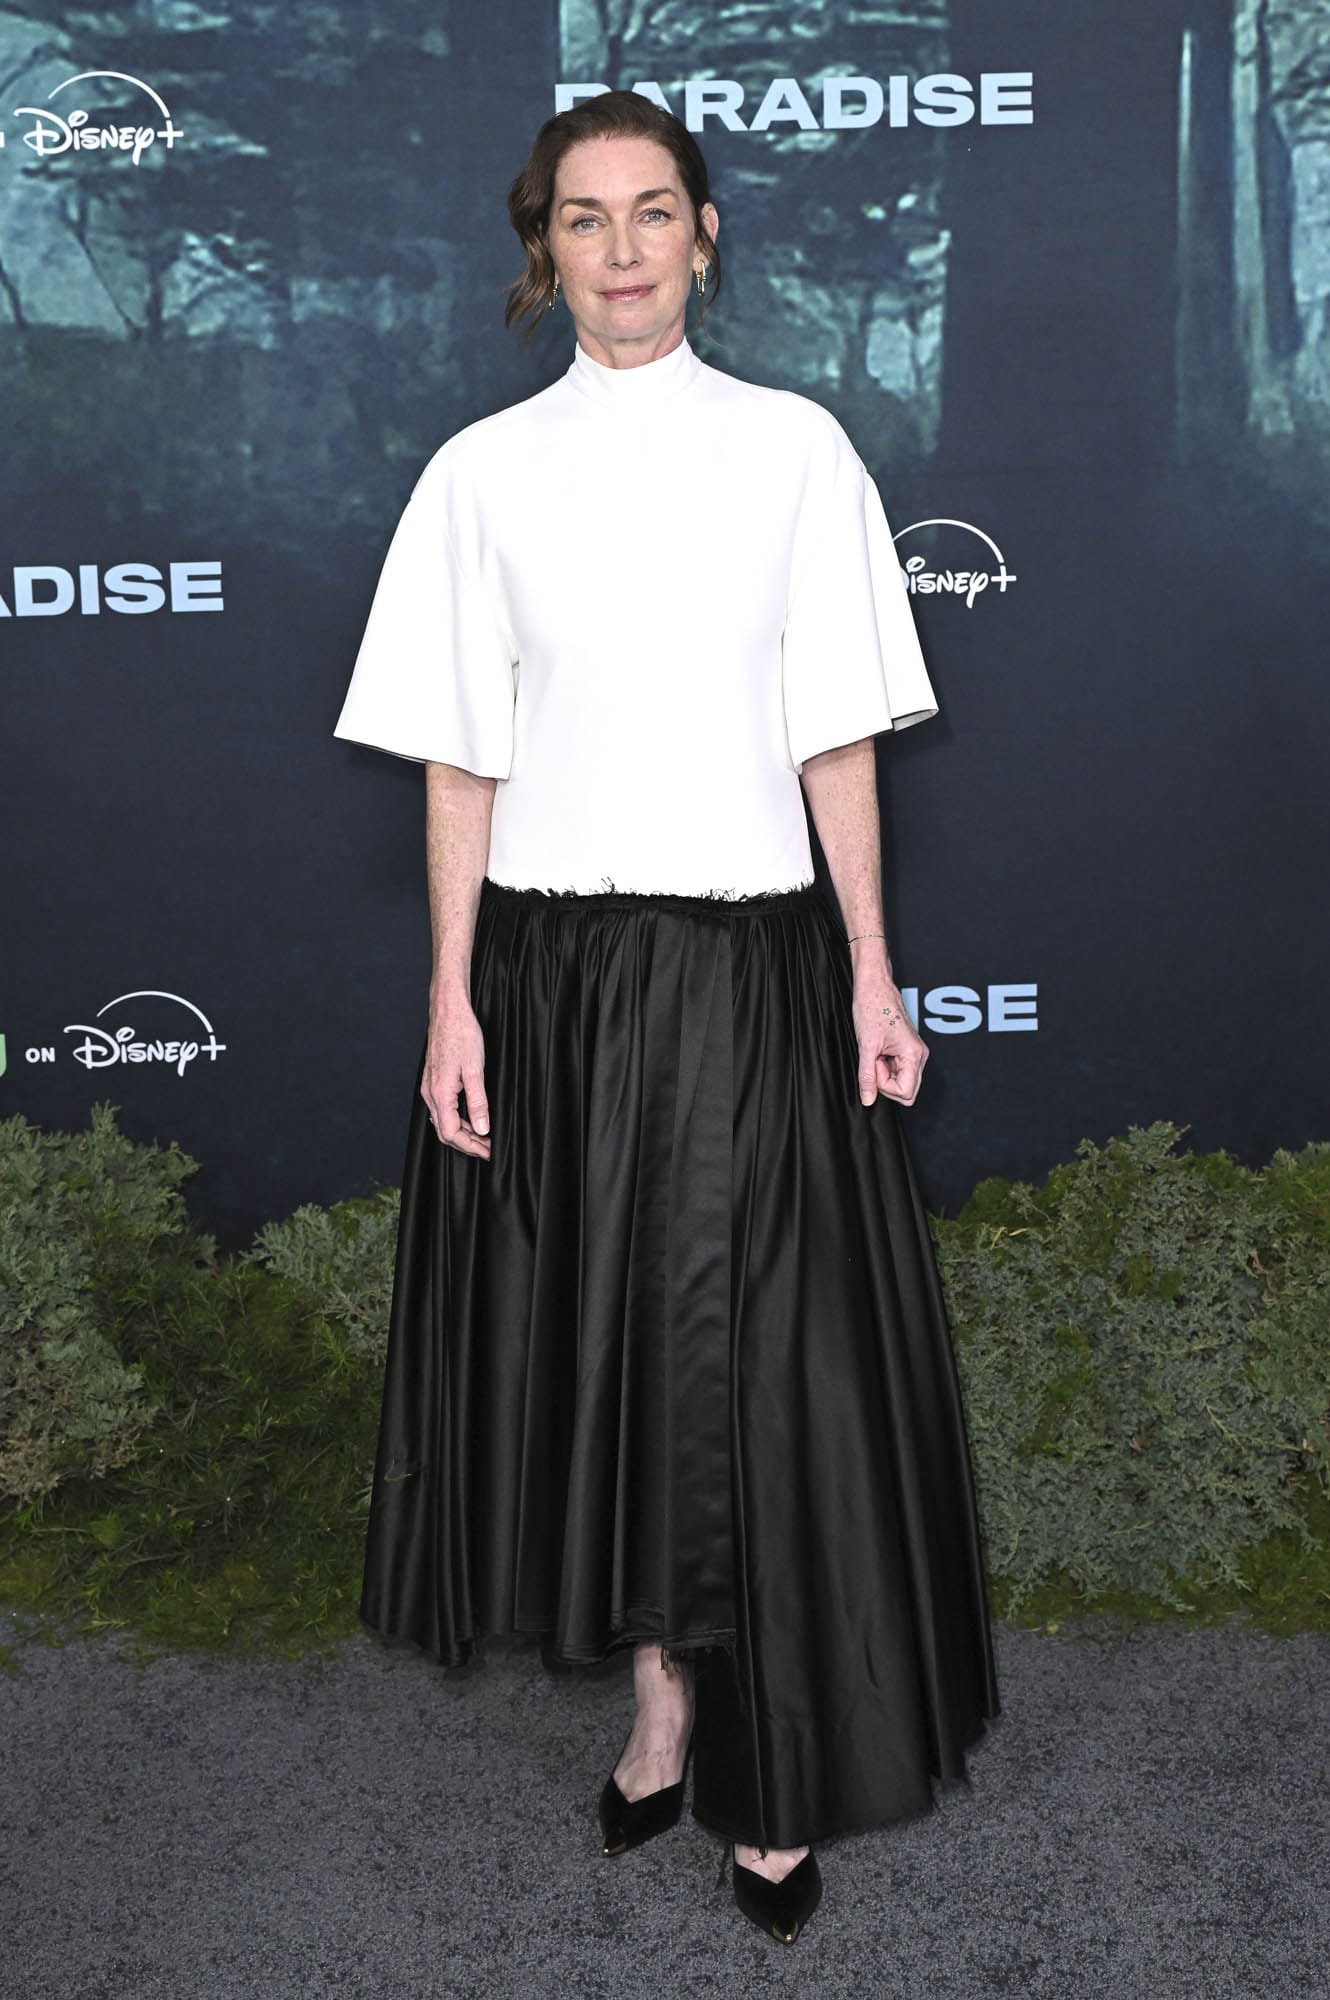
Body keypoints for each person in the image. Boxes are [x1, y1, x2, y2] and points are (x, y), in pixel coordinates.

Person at [333, 89, 999, 1947]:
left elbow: (835, 733)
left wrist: (869, 966)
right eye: (582, 216)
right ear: (540, 251)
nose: (619, 248)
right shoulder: (480, 475)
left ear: (705, 236)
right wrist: (452, 999)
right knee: (611, 1351)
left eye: (651, 211)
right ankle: (660, 1709)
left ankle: (774, 1772)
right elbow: (460, 761)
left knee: (765, 1371)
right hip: (553, 985)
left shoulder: (795, 451)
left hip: (753, 972)